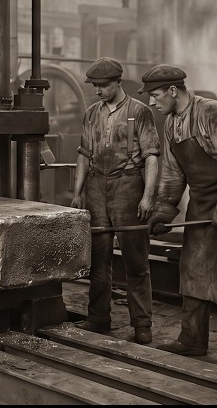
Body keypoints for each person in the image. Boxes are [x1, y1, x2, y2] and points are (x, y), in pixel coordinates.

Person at [140, 64, 217, 370]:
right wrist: (165, 209)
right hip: (202, 201)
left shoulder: (212, 113)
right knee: (192, 267)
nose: (152, 102)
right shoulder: (170, 124)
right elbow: (173, 172)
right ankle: (192, 340)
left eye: (155, 95)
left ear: (173, 91)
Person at [69, 57, 160, 345]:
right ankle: (98, 318)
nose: (97, 91)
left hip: (128, 187)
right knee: (98, 259)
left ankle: (141, 325)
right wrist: (77, 192)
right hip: (96, 188)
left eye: (103, 86)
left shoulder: (140, 112)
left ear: (118, 82)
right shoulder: (92, 113)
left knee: (136, 261)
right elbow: (84, 153)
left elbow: (151, 156)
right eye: (95, 86)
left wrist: (147, 197)